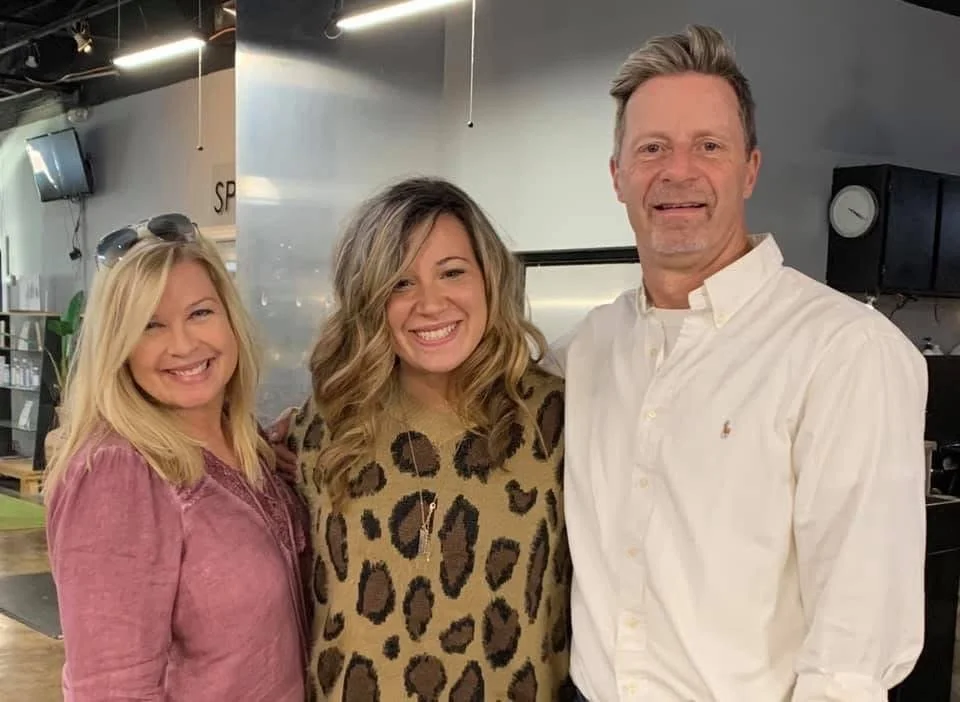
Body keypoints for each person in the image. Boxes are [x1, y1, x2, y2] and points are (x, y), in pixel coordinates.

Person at [557, 25, 928, 701]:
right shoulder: (589, 347)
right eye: (651, 149)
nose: (678, 172)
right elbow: (472, 389)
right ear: (617, 176)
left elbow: (853, 650)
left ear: (749, 167)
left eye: (709, 146)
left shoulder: (845, 354)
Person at [283, 177, 572, 701]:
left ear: (488, 278)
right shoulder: (327, 423)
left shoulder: (556, 418)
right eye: (400, 283)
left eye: (452, 273)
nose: (430, 304)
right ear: (369, 299)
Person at [44, 214, 310, 702]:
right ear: (118, 347)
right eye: (151, 325)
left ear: (230, 318)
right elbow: (111, 690)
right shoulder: (118, 474)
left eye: (200, 313)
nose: (184, 344)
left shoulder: (246, 443)